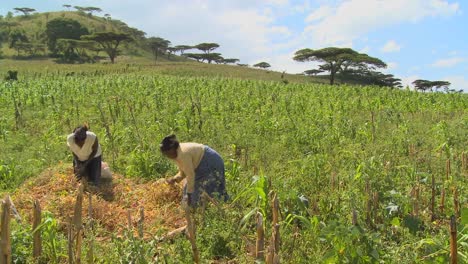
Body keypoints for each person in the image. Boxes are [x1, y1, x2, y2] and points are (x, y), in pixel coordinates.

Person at [160, 134, 229, 208]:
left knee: (198, 196)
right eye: (165, 154)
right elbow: (184, 171)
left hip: (210, 163)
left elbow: (190, 175)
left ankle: (222, 205)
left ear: (172, 148)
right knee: (189, 193)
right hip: (202, 163)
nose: (168, 156)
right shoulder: (176, 153)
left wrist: (190, 195)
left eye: (168, 153)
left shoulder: (183, 154)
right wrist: (175, 179)